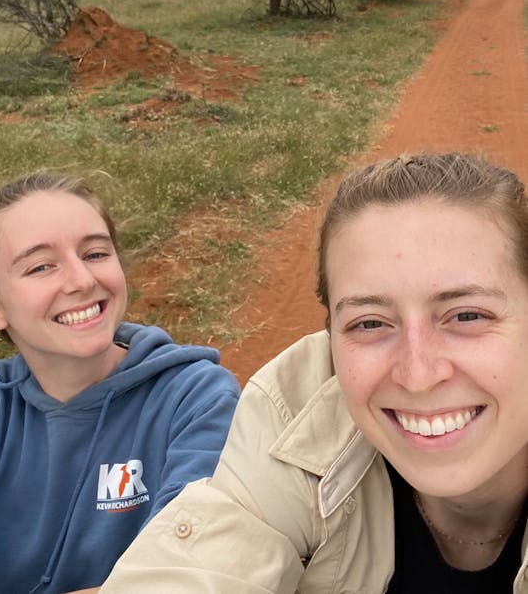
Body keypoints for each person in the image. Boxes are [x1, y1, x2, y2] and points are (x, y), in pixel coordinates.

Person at [100, 152, 528, 593]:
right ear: (331, 340)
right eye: (370, 323)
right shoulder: (295, 411)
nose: (417, 375)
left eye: (468, 316)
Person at [0, 172, 240, 594]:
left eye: (96, 253)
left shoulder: (197, 398)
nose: (82, 280)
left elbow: (192, 567)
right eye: (41, 266)